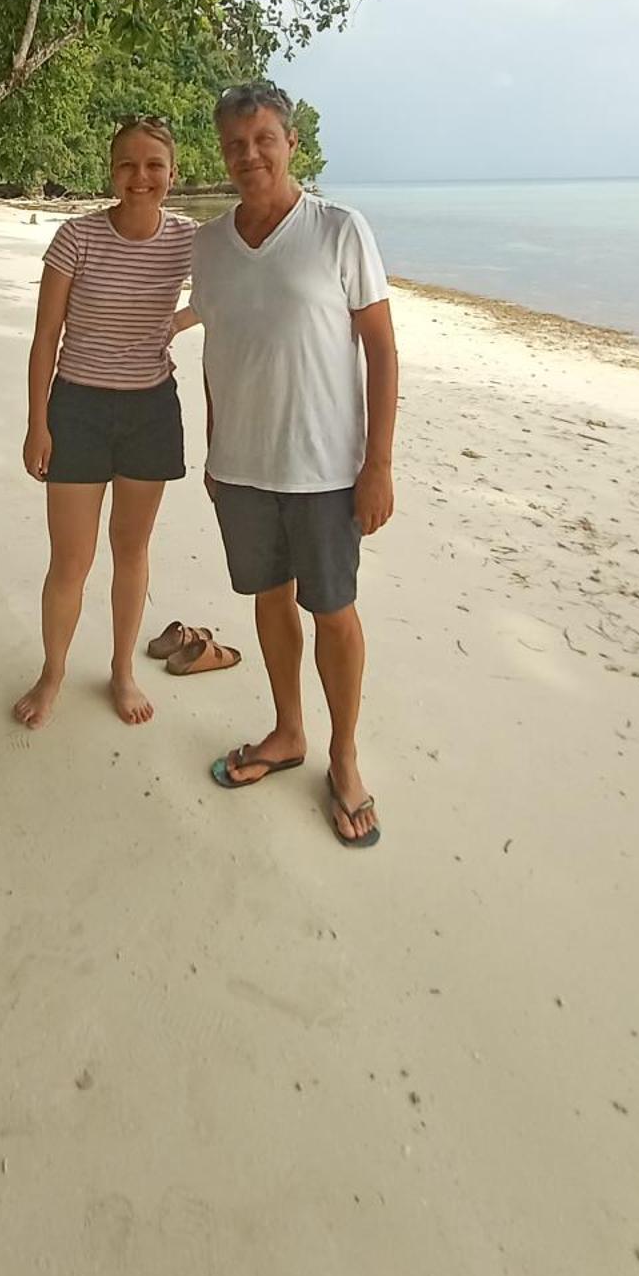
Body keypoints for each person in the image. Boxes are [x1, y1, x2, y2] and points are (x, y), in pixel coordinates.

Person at [191, 82, 398, 846]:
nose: (249, 156)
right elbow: (220, 350)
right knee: (269, 601)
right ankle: (288, 732)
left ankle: (343, 756)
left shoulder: (340, 231)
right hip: (240, 466)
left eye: (263, 140)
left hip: (326, 470)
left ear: (290, 143)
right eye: (235, 145)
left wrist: (378, 464)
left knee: (333, 613)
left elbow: (380, 348)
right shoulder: (207, 246)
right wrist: (213, 447)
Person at [14, 118, 198, 730]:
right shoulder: (76, 238)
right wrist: (37, 423)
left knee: (131, 549)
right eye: (127, 164)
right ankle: (53, 673)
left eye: (153, 165)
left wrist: (180, 320)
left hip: (151, 410)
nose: (140, 177)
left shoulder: (190, 239)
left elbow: (246, 283)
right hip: (78, 407)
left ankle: (122, 670)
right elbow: (45, 338)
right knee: (70, 560)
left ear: (173, 174)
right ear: (111, 172)